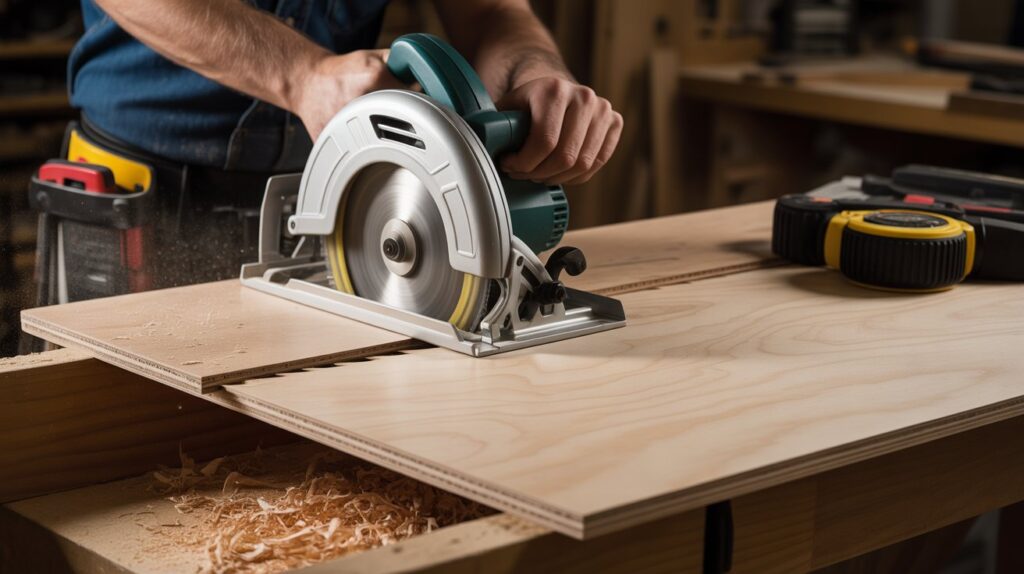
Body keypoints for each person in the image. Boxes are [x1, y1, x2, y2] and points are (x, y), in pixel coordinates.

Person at [63, 0, 623, 288]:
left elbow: (494, 13)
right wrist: (302, 75)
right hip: (141, 180)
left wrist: (535, 74)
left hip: (339, 193)